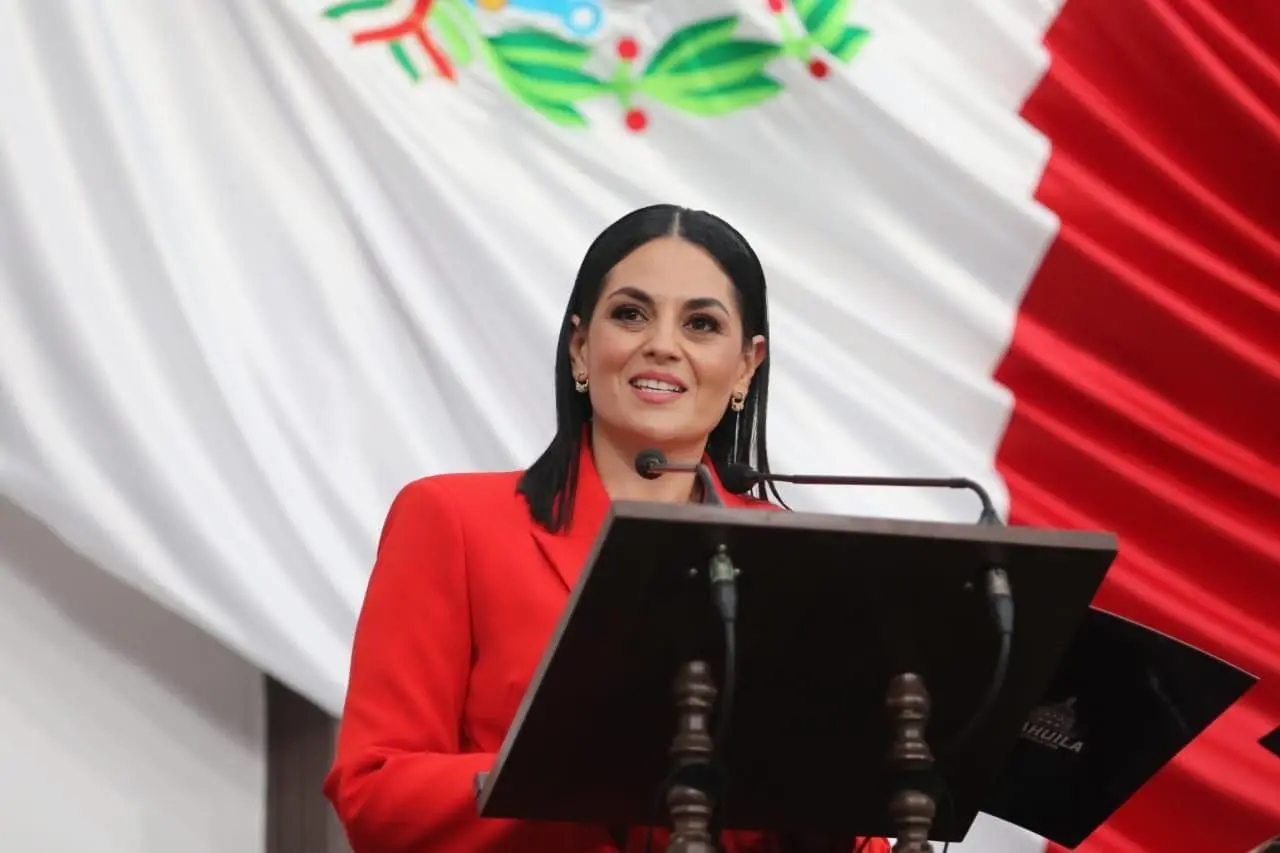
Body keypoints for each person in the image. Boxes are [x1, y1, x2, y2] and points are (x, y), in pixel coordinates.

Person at [323, 204, 889, 853]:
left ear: (746, 365)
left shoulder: (795, 559)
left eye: (701, 324)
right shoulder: (451, 521)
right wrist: (577, 769)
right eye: (630, 313)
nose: (663, 344)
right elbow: (374, 793)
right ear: (580, 346)